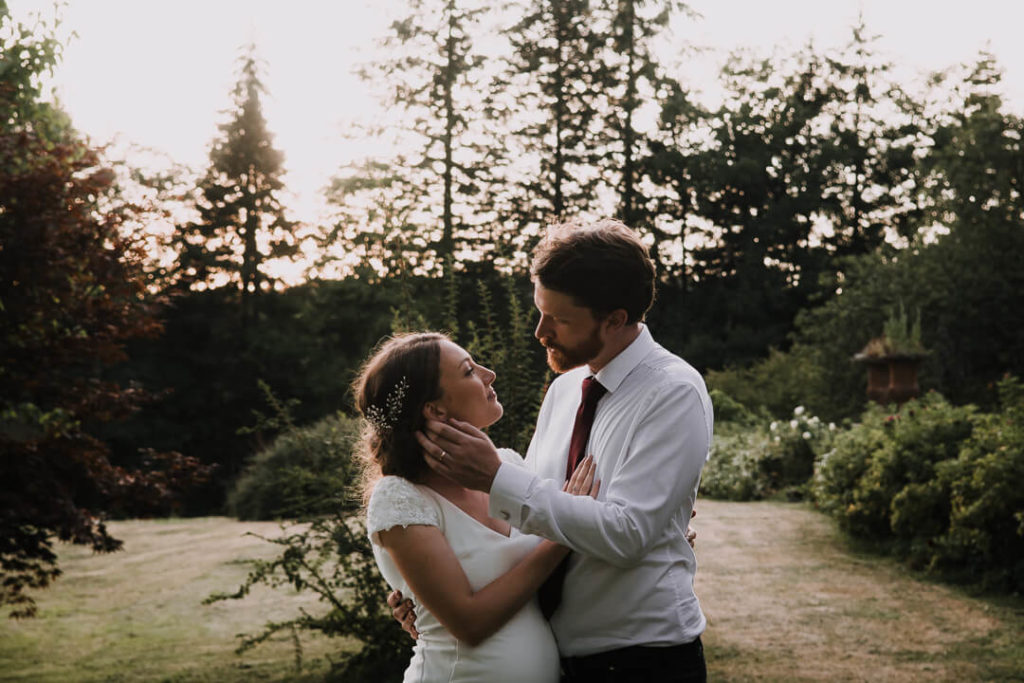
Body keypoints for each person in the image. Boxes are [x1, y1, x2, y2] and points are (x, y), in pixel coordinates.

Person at [410, 218, 714, 682]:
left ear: (615, 319)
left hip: (643, 661)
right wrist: (433, 598)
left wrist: (496, 478)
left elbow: (628, 535)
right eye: (540, 311)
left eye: (559, 319)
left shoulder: (674, 392)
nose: (540, 331)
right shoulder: (565, 390)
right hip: (554, 659)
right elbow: (529, 527)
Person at [357, 331, 600, 683]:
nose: (490, 374)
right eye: (469, 371)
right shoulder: (400, 497)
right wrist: (565, 532)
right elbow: (469, 624)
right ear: (435, 409)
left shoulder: (509, 467)